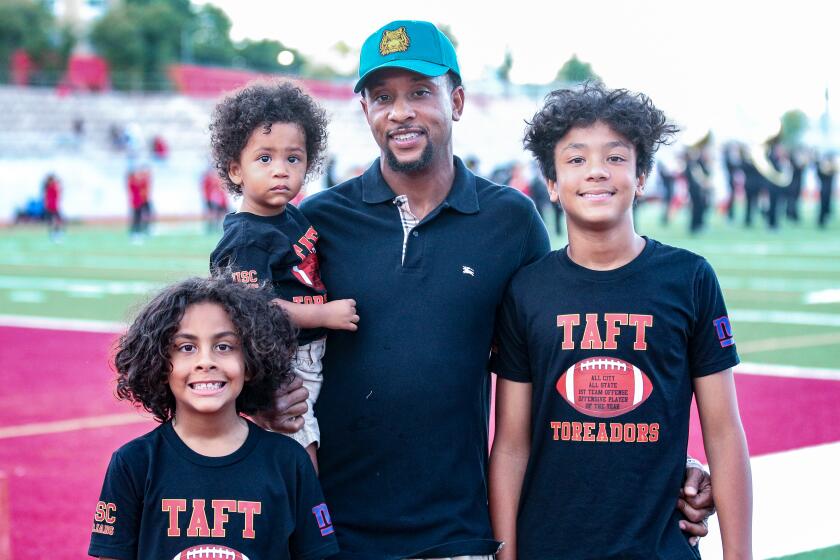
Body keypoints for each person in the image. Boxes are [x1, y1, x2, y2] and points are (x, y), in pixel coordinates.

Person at [270, 20, 717, 559]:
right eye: (382, 96)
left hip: (461, 529)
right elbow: (276, 349)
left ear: (456, 100)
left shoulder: (511, 220)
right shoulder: (318, 221)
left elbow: (564, 357)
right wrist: (268, 398)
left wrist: (673, 464)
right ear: (365, 110)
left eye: (420, 92)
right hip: (331, 529)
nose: (401, 111)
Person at [490, 83, 752, 560]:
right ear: (550, 183)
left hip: (660, 547)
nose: (595, 172)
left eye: (615, 158)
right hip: (549, 546)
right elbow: (510, 443)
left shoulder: (689, 278)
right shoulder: (526, 290)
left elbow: (724, 430)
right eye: (574, 160)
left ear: (643, 174)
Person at [87, 275, 339, 560]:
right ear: (159, 364)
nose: (205, 361)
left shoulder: (289, 462)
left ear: (252, 362)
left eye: (224, 346)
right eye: (186, 347)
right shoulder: (134, 463)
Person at [208, 81, 360, 470]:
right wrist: (323, 315)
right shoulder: (245, 237)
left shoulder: (291, 215)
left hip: (313, 353)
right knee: (298, 438)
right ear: (235, 170)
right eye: (265, 159)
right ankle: (305, 515)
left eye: (294, 159)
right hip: (286, 359)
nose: (281, 171)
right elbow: (253, 309)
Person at [42, 173, 63, 241]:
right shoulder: (48, 187)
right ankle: (53, 233)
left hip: (55, 206)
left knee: (57, 221)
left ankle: (56, 233)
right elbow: (46, 197)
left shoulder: (54, 186)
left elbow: (58, 193)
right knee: (51, 221)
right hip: (50, 207)